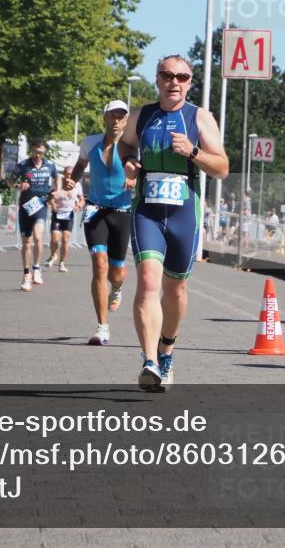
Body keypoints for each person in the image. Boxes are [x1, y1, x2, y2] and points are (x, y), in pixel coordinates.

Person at [118, 55, 229, 391]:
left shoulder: (200, 118)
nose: (174, 82)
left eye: (182, 77)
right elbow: (123, 144)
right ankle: (149, 361)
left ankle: (167, 349)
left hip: (184, 211)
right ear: (158, 79)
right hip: (147, 210)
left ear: (190, 82)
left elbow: (222, 167)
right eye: (167, 75)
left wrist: (193, 152)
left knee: (175, 289)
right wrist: (129, 163)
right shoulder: (143, 115)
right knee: (148, 281)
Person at [65, 100, 135, 347]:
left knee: (117, 273)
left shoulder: (131, 145)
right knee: (99, 264)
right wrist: (73, 182)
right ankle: (102, 327)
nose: (116, 120)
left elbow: (136, 166)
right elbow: (80, 166)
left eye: (121, 116)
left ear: (126, 121)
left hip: (122, 212)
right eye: (112, 115)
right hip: (94, 210)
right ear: (105, 118)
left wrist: (133, 177)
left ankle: (116, 289)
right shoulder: (89, 142)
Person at [7, 139, 60, 292]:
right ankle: (26, 274)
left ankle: (36, 268)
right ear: (32, 150)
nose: (38, 154)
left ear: (44, 152)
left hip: (41, 205)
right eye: (36, 151)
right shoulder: (23, 165)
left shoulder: (50, 165)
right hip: (25, 206)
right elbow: (9, 180)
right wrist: (17, 186)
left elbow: (58, 178)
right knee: (26, 242)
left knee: (38, 238)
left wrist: (56, 191)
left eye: (41, 152)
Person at [46, 177, 82, 272]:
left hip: (69, 215)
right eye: (67, 175)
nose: (69, 178)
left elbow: (82, 200)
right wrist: (52, 203)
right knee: (54, 239)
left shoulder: (77, 185)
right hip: (57, 214)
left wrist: (79, 206)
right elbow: (49, 197)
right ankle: (53, 255)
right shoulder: (57, 184)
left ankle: (62, 263)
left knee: (65, 239)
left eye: (71, 175)